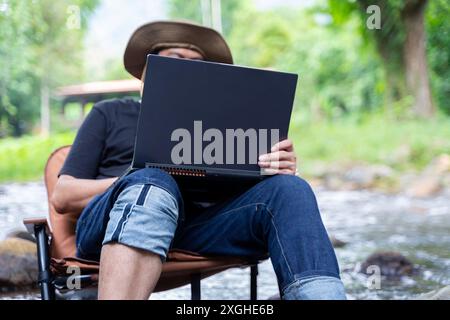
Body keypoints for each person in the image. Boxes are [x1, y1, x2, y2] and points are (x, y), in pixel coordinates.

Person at [52, 21, 346, 300]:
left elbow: (252, 197)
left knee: (292, 189)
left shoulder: (223, 123)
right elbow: (63, 196)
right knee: (153, 181)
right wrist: (132, 179)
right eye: (177, 59)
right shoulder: (110, 113)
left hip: (196, 229)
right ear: (147, 71)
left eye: (198, 65)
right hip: (111, 224)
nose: (189, 69)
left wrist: (272, 169)